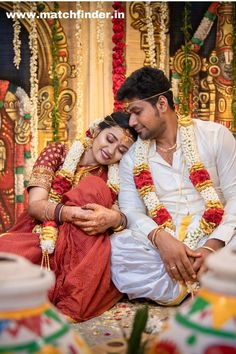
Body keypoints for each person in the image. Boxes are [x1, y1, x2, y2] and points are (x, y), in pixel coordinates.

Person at [110, 66, 236, 305]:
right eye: (130, 114)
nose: (132, 121)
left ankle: (199, 282)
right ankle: (202, 288)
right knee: (118, 248)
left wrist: (212, 246)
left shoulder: (216, 136)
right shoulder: (131, 159)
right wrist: (161, 238)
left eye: (137, 111)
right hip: (164, 250)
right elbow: (131, 212)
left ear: (161, 104)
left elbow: (235, 196)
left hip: (218, 237)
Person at [0, 111, 137, 321]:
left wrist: (112, 218)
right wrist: (69, 213)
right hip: (42, 235)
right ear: (97, 130)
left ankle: (71, 301)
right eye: (109, 139)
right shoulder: (58, 151)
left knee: (93, 187)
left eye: (121, 150)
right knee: (7, 257)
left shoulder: (116, 176)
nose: (111, 151)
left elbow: (124, 216)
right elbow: (36, 206)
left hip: (85, 244)